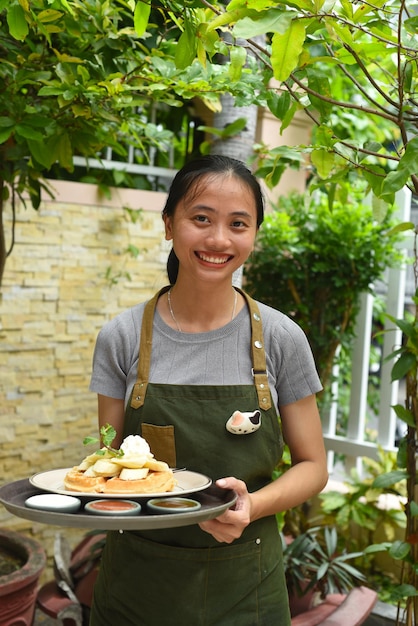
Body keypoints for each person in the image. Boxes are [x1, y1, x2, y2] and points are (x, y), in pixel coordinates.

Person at [88, 154, 328, 625]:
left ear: (254, 235)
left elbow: (314, 466)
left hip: (246, 587)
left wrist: (251, 504)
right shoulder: (121, 336)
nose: (219, 239)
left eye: (238, 223)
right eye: (201, 219)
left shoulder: (280, 339)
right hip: (137, 586)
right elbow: (106, 459)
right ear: (168, 225)